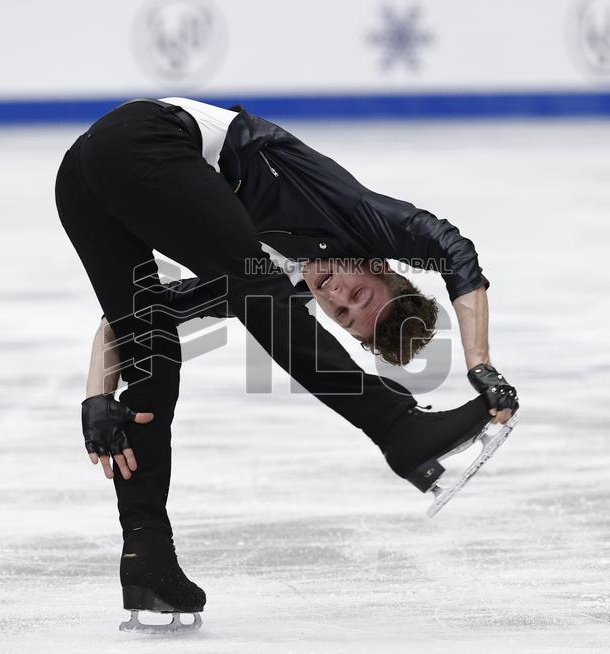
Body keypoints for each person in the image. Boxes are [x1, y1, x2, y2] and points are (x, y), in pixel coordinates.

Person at [55, 97, 519, 633]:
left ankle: (148, 557)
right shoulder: (355, 216)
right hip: (141, 137)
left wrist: (97, 399)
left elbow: (123, 325)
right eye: (361, 294)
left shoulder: (264, 272)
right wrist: (481, 365)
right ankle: (399, 429)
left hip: (81, 182)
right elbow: (454, 251)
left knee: (155, 350)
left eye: (344, 315)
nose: (339, 297)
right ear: (376, 265)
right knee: (258, 291)